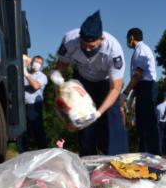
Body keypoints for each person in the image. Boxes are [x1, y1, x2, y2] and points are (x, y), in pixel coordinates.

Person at [51, 11, 128, 156]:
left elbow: (116, 87)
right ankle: (88, 160)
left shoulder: (114, 49)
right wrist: (63, 102)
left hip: (106, 83)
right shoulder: (69, 40)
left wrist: (98, 113)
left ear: (102, 39)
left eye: (92, 46)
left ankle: (116, 160)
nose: (87, 49)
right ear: (79, 38)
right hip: (82, 81)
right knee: (83, 123)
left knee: (112, 123)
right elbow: (60, 69)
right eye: (84, 44)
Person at [121, 28, 160, 154]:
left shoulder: (142, 50)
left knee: (148, 123)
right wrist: (133, 94)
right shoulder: (139, 50)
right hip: (142, 87)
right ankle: (144, 152)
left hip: (147, 87)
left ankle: (152, 153)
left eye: (127, 39)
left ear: (131, 38)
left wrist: (125, 93)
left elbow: (138, 75)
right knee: (142, 124)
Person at [17, 55, 48, 153]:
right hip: (22, 106)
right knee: (21, 132)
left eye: (39, 62)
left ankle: (43, 153)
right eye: (36, 61)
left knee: (38, 130)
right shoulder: (24, 74)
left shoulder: (42, 76)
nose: (37, 64)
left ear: (42, 65)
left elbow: (35, 85)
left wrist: (26, 74)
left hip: (34, 106)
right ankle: (22, 154)